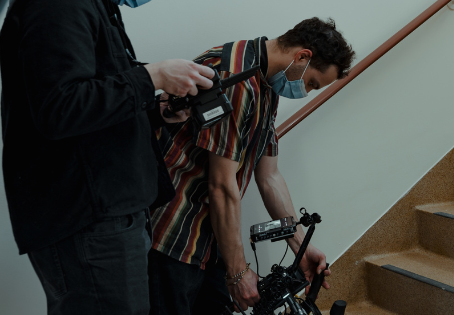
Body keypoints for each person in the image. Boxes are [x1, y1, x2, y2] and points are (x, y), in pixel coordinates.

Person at [0, 0, 212, 315]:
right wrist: (151, 76)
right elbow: (60, 108)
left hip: (108, 213)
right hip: (87, 217)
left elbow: (98, 100)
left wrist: (158, 109)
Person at [147, 18, 355, 314]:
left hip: (209, 238)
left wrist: (300, 245)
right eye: (311, 83)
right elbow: (221, 185)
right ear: (302, 57)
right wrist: (238, 272)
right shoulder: (236, 78)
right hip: (174, 233)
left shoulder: (266, 83)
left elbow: (269, 175)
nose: (307, 92)